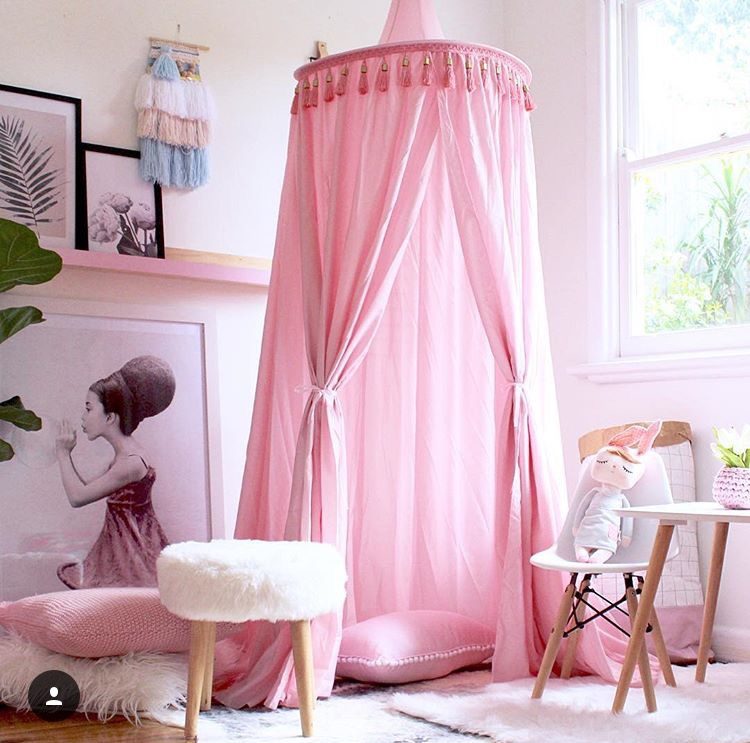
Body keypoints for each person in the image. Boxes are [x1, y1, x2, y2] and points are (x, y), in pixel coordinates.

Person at [55, 355, 176, 588]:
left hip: (133, 560)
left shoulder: (129, 463)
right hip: (126, 553)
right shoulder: (125, 456)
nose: (83, 416)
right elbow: (86, 489)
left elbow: (78, 497)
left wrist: (63, 453)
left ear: (110, 417)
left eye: (89, 409)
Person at [571, 420, 662, 563]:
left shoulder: (621, 500)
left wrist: (626, 535)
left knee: (608, 544)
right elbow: (581, 508)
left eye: (625, 469)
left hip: (609, 531)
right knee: (581, 541)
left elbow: (628, 518)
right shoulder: (594, 493)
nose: (613, 467)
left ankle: (599, 555)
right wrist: (576, 526)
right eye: (603, 462)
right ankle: (582, 551)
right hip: (588, 527)